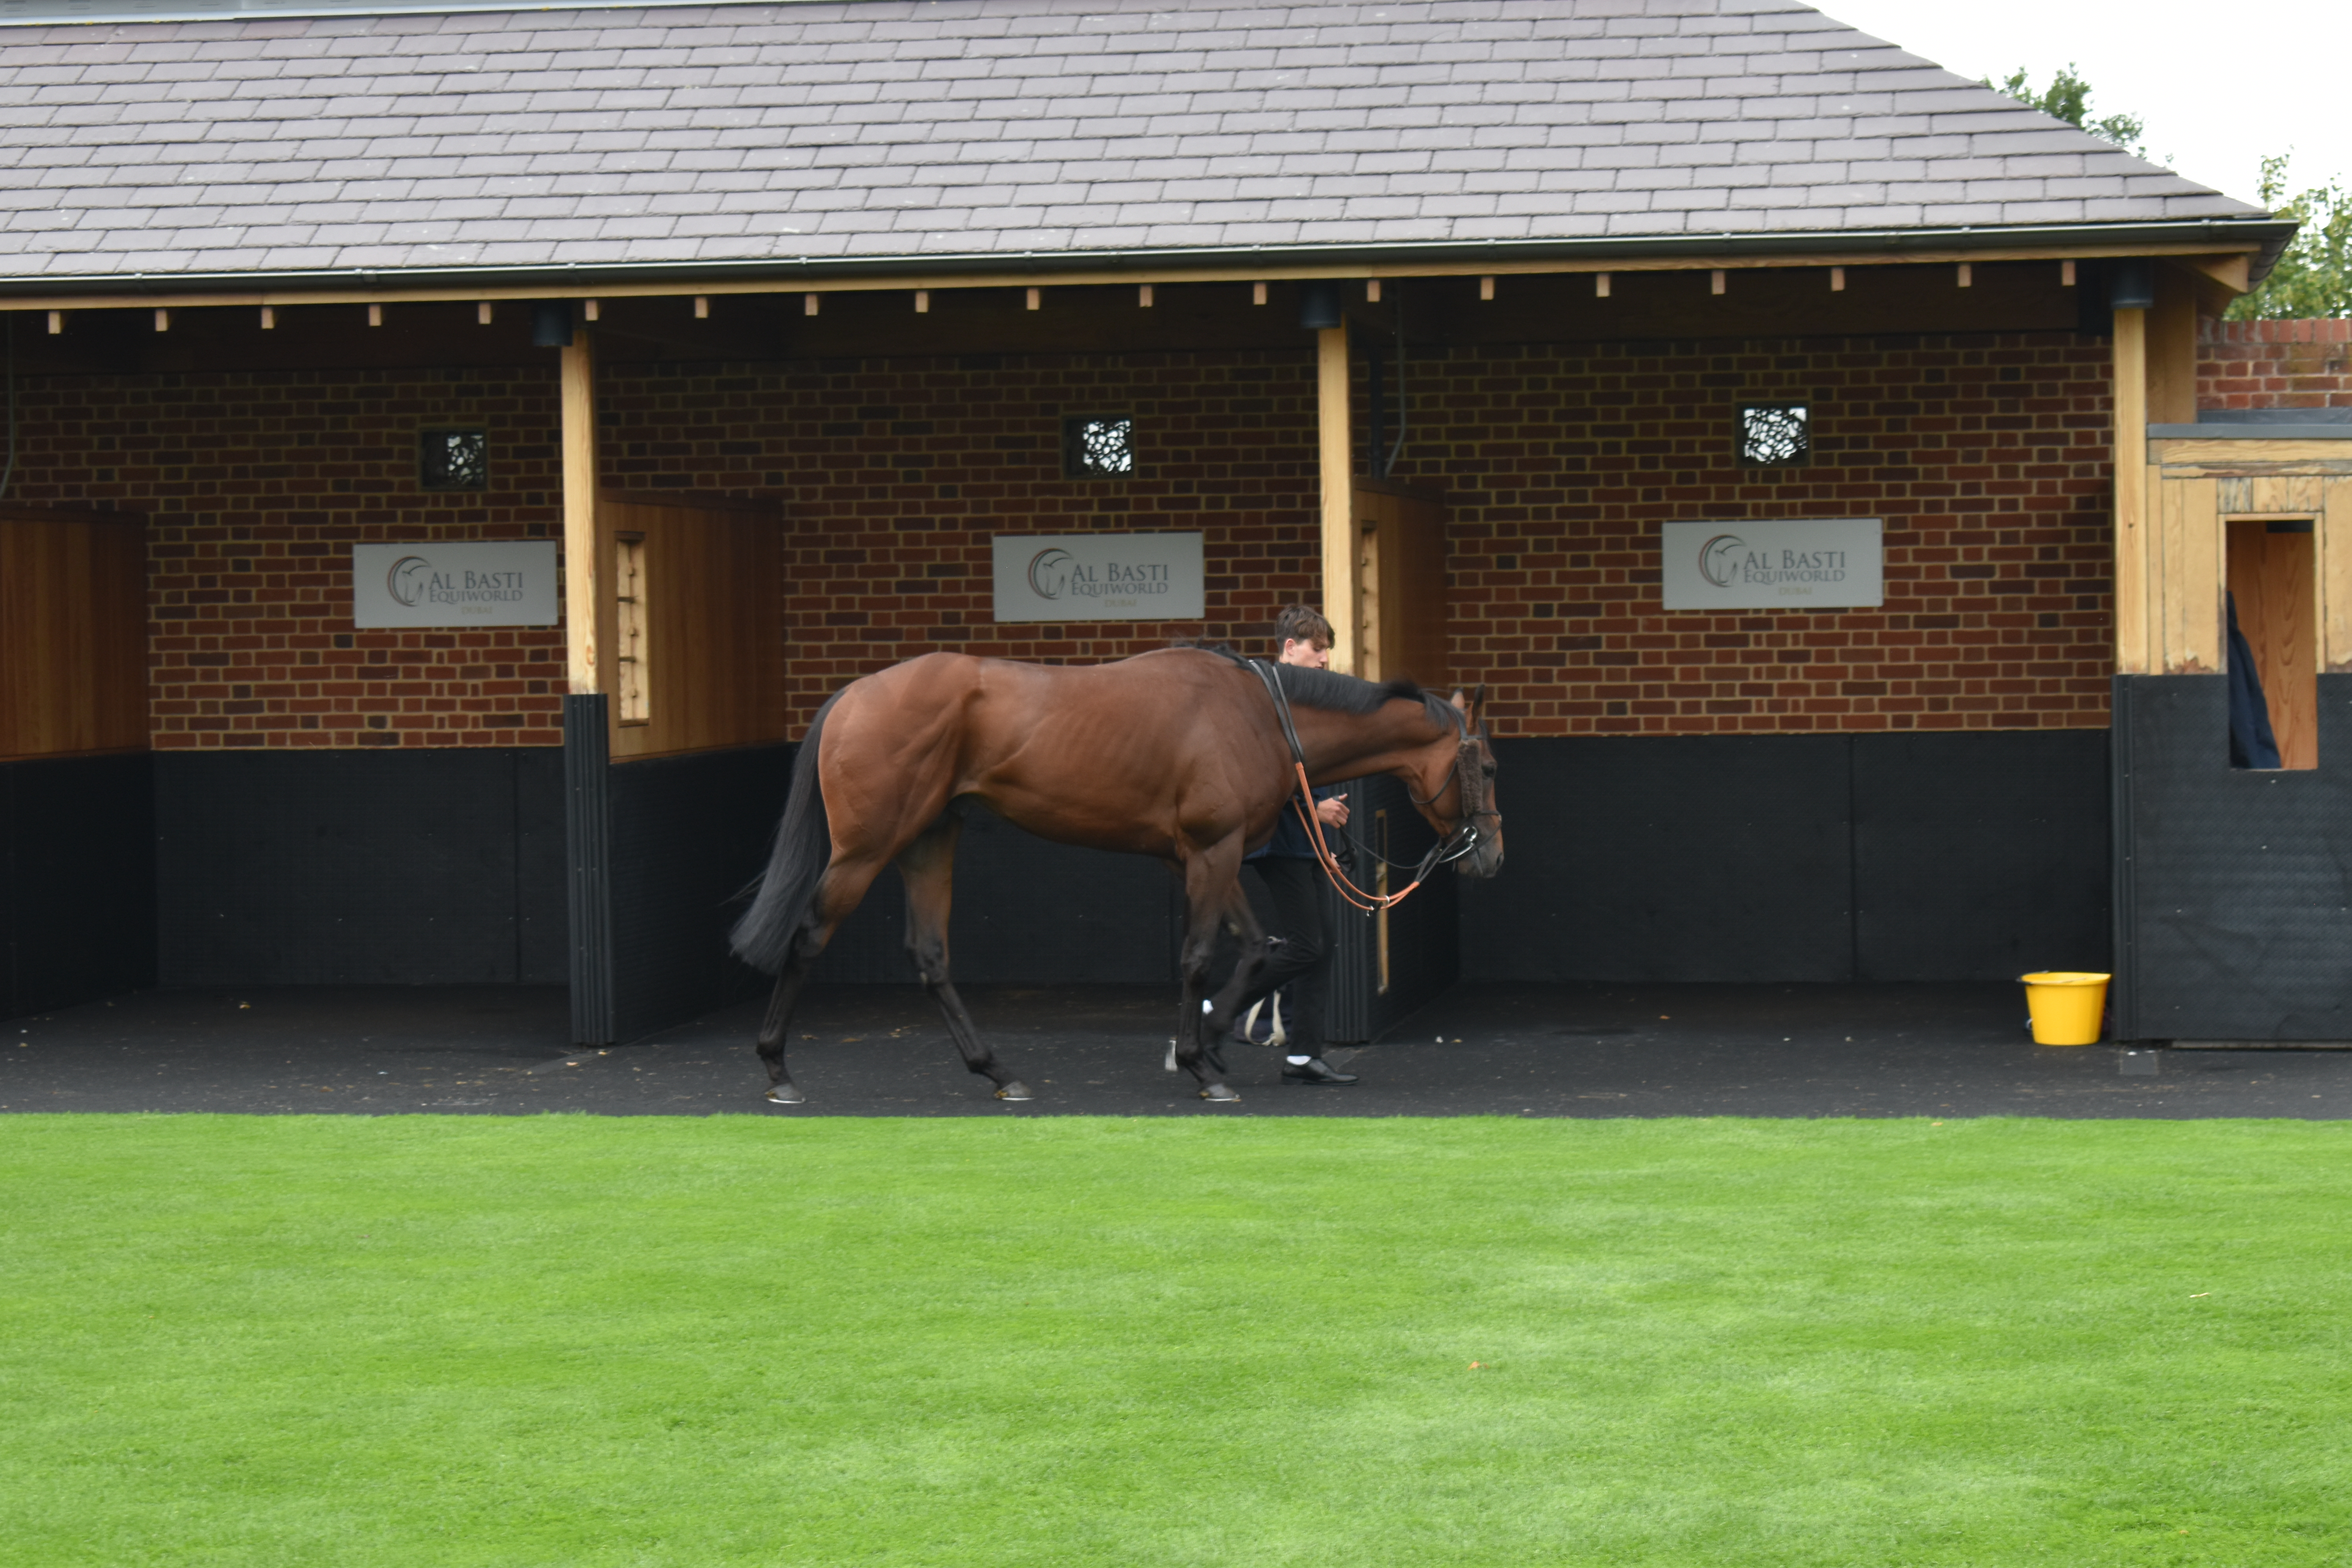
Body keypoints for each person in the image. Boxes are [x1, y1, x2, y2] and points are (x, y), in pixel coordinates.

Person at [1230, 604, 1361, 1086]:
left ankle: (1305, 1056)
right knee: (1309, 945)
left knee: (1321, 945)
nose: (1326, 659)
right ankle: (1215, 1010)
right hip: (1281, 842)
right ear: (1290, 648)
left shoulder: (1306, 700)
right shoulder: (1267, 700)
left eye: (1327, 650)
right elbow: (1261, 775)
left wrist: (1325, 814)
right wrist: (1314, 811)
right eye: (1318, 649)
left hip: (1307, 842)